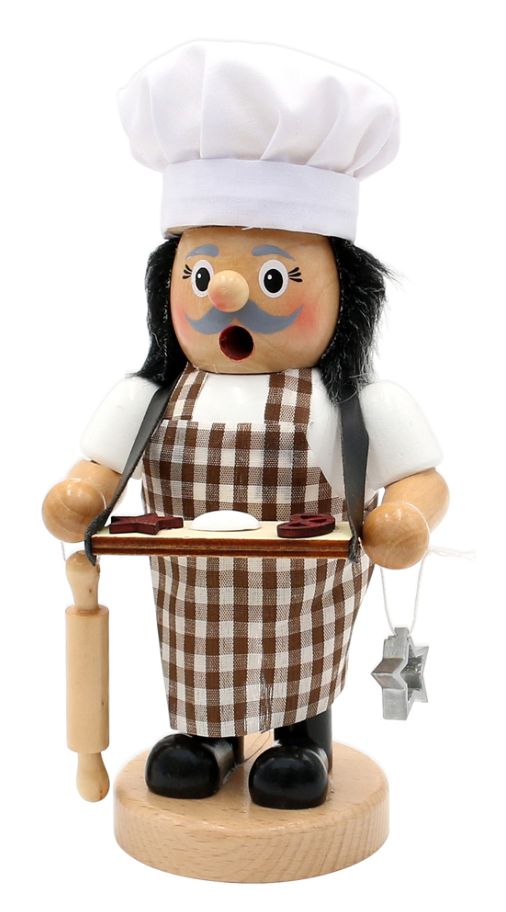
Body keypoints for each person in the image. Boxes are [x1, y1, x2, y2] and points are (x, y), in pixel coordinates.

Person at [43, 41, 448, 810]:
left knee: (299, 668)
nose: (225, 294)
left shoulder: (353, 402)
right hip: (195, 593)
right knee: (201, 663)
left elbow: (422, 482)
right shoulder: (151, 397)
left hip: (305, 595)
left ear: (343, 292)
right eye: (200, 275)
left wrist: (406, 519)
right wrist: (79, 496)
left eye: (273, 276)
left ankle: (302, 741)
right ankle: (210, 737)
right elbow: (96, 470)